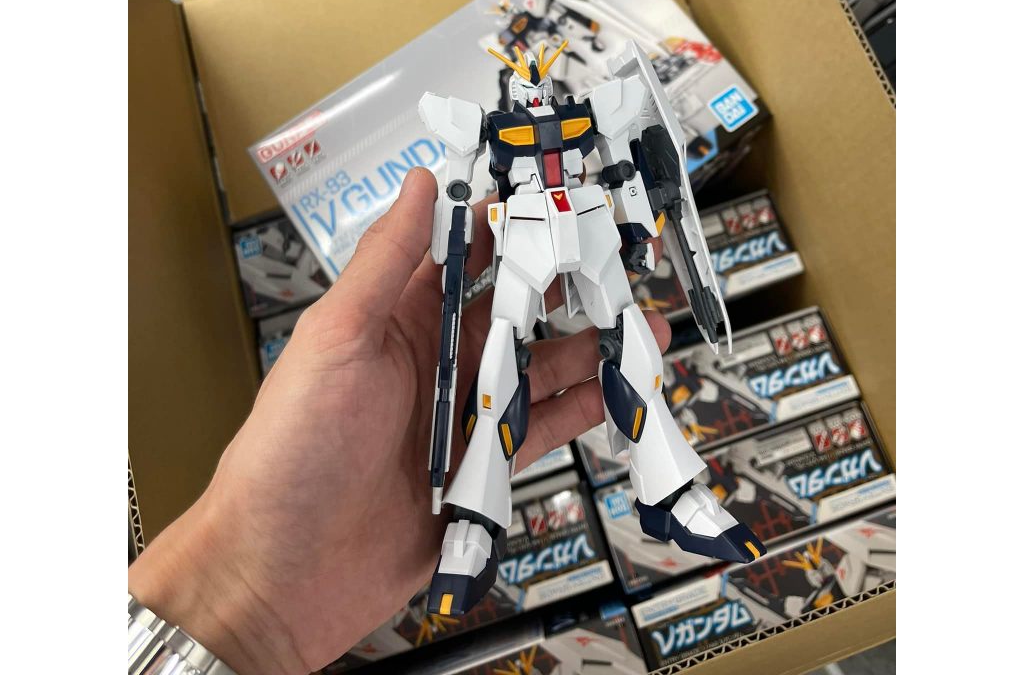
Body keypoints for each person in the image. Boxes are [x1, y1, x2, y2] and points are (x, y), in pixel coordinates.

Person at [128, 167, 670, 675]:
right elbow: (464, 166)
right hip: (522, 236)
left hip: (582, 220)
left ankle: (671, 486)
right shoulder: (500, 134)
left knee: (622, 339)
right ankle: (473, 529)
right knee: (499, 371)